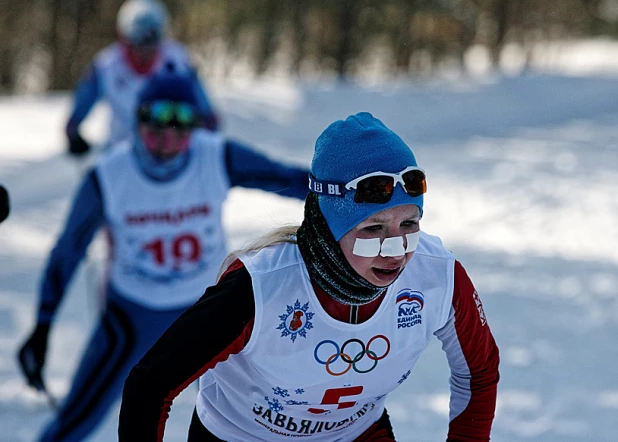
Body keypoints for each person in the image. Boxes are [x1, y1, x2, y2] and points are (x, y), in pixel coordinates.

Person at [118, 112, 500, 441]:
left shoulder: (436, 275)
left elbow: (479, 372)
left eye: (409, 223)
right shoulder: (260, 286)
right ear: (329, 226)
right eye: (371, 229)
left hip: (355, 434)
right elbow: (150, 386)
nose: (395, 248)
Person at [16, 70, 309, 442]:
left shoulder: (215, 155)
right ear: (137, 121)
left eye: (182, 124)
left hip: (207, 308)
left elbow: (289, 178)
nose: (168, 137)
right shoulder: (109, 175)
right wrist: (42, 326)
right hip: (133, 314)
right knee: (77, 419)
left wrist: (348, 196)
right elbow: (68, 252)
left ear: (196, 127)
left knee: (264, 417)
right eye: (155, 123)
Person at [65, 0, 219, 156]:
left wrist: (206, 131)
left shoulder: (178, 61)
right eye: (139, 41)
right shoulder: (106, 66)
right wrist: (73, 132)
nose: (145, 52)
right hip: (121, 154)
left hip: (170, 155)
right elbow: (82, 102)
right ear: (124, 37)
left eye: (152, 42)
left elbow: (206, 112)